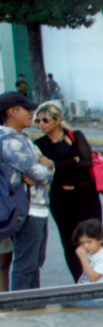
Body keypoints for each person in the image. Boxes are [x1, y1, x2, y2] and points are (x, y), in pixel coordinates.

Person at [33, 102, 101, 284]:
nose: (41, 124)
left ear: (58, 120)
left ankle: (98, 279)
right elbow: (44, 169)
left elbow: (87, 162)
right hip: (60, 199)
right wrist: (73, 160)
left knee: (93, 237)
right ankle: (80, 281)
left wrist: (56, 165)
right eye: (37, 121)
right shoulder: (39, 144)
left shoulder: (75, 136)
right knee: (70, 241)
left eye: (45, 120)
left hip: (86, 195)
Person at [0, 91, 53, 291]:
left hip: (38, 208)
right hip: (27, 210)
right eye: (27, 109)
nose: (32, 113)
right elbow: (37, 171)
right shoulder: (9, 141)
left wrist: (48, 167)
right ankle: (22, 309)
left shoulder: (24, 139)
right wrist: (46, 169)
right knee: (25, 264)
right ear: (13, 111)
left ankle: (33, 305)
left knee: (34, 263)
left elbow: (45, 167)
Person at [69, 218, 103, 308]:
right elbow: (84, 274)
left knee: (67, 301)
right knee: (64, 297)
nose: (85, 246)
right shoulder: (90, 254)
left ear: (100, 239)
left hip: (99, 298)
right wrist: (76, 288)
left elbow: (93, 278)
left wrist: (83, 258)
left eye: (89, 242)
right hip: (89, 294)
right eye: (82, 243)